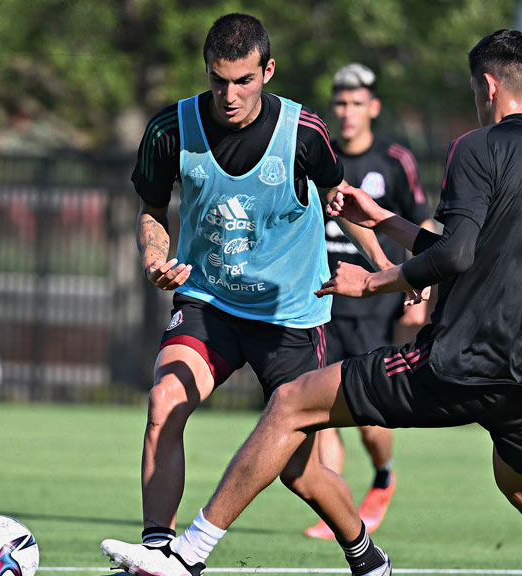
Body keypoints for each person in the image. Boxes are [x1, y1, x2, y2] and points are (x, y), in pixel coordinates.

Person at [166, 29, 522, 576]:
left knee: (290, 402)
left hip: (462, 361)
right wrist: (384, 220)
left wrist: (374, 282)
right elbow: (475, 254)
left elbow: (455, 255)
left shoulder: (476, 147)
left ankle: (187, 554)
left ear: (487, 85)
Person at [100, 13, 404, 576]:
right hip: (209, 301)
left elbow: (342, 203)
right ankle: (161, 553)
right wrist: (152, 255)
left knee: (300, 472)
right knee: (165, 401)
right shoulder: (170, 130)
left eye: (244, 80)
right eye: (219, 81)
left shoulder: (304, 133)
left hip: (290, 315)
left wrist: (388, 269)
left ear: (267, 70)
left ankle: (366, 556)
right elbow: (151, 212)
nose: (230, 94)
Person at [305, 62, 435, 540]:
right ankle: (333, 505)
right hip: (322, 299)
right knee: (317, 409)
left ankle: (383, 475)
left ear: (373, 107)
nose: (347, 111)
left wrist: (420, 290)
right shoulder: (320, 156)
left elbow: (422, 227)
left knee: (364, 415)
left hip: (375, 304)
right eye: (340, 102)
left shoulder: (395, 159)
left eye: (357, 103)